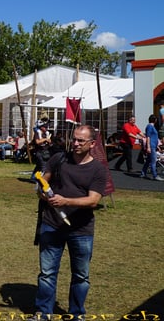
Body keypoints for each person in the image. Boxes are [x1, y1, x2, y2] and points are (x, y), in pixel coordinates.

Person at [31, 125, 106, 319]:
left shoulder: (98, 169)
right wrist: (44, 195)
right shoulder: (59, 159)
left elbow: (93, 200)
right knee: (47, 273)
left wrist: (66, 201)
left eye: (81, 140)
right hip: (52, 224)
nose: (76, 143)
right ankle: (43, 312)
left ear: (92, 143)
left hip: (81, 230)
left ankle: (76, 314)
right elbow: (42, 183)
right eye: (74, 139)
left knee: (81, 276)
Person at [140, 115, 164, 181]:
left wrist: (157, 146)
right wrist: (148, 147)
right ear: (155, 120)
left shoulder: (152, 127)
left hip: (153, 146)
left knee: (148, 161)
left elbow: (154, 138)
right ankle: (155, 175)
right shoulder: (150, 127)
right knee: (153, 161)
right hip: (151, 146)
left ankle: (143, 173)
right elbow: (148, 137)